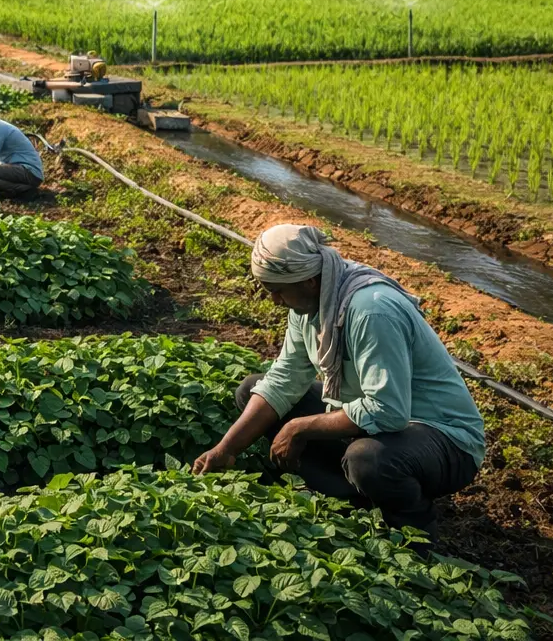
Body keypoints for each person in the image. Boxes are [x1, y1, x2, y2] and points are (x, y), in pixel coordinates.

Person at [191, 224, 485, 535]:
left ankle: (414, 532)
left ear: (309, 281)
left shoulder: (372, 311)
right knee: (252, 391)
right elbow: (284, 380)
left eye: (278, 290)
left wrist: (299, 427)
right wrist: (227, 448)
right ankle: (350, 499)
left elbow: (388, 410)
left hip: (443, 437)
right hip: (381, 418)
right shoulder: (308, 305)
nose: (275, 300)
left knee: (369, 458)